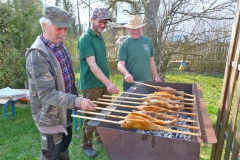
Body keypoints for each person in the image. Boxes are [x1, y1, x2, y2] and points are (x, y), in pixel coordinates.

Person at [25, 6, 96, 160]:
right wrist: (76, 101)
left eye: (65, 29)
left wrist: (76, 102)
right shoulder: (37, 54)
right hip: (50, 118)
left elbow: (67, 79)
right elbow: (46, 93)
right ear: (44, 25)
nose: (63, 33)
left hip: (64, 112)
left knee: (63, 147)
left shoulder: (59, 45)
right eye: (59, 28)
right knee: (52, 154)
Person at [78, 7, 119, 157]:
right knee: (91, 116)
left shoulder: (100, 37)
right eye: (100, 21)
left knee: (105, 113)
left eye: (105, 22)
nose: (103, 25)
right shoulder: (85, 39)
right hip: (91, 85)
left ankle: (100, 136)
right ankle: (86, 144)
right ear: (92, 19)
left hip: (103, 84)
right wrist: (109, 83)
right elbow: (92, 65)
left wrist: (107, 83)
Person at [117, 14, 161, 91]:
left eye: (138, 28)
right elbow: (120, 64)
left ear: (141, 28)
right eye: (133, 29)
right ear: (128, 29)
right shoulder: (124, 44)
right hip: (130, 85)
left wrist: (156, 77)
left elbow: (150, 60)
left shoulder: (148, 41)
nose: (136, 31)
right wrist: (126, 74)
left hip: (146, 84)